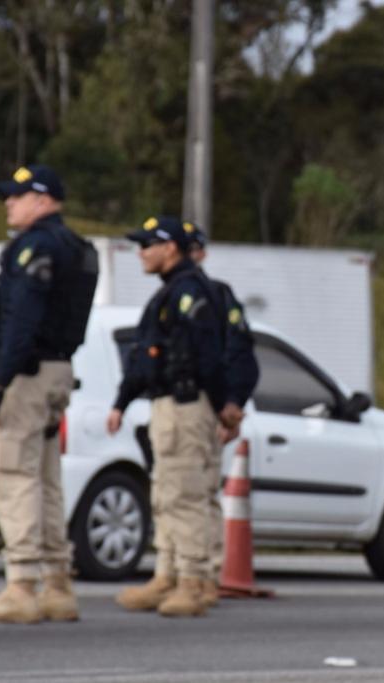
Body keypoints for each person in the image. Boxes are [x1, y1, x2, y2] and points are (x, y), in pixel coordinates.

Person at [0, 164, 95, 624]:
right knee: (46, 478)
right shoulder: (77, 247)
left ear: (41, 200)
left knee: (15, 474)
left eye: (17, 196)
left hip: (28, 371)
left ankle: (20, 586)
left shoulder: (35, 247)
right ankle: (58, 585)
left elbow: (21, 319)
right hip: (58, 367)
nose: (8, 203)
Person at [106, 216, 228, 617]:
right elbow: (145, 357)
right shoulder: (172, 292)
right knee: (167, 494)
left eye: (148, 245)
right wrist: (122, 402)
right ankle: (169, 574)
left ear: (170, 248)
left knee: (186, 495)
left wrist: (223, 404)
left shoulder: (191, 293)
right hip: (169, 405)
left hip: (185, 406)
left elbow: (209, 356)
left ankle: (192, 582)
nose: (141, 252)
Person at [185, 225, 259, 607]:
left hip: (208, 406)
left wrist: (231, 403)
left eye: (194, 249)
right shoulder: (182, 293)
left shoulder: (216, 297)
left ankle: (205, 574)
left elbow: (238, 353)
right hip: (189, 402)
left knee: (198, 494)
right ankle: (196, 573)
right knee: (192, 494)